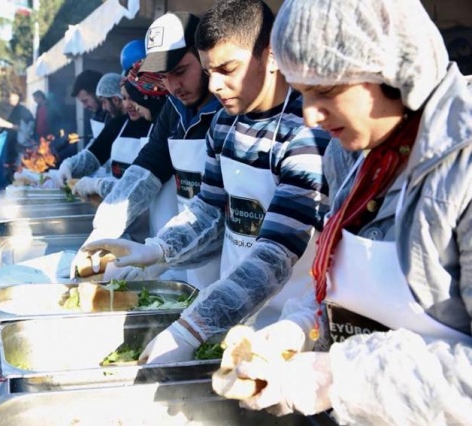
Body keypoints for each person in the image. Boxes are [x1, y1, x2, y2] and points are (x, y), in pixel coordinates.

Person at [208, 0, 472, 422]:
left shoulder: (462, 166)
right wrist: (303, 328)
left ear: (390, 67)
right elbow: (342, 289)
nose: (310, 116)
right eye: (302, 93)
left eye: (326, 91)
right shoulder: (348, 157)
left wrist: (340, 378)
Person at [83, 0, 331, 363]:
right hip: (231, 309)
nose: (215, 85)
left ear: (272, 56)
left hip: (291, 326)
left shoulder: (306, 133)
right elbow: (209, 208)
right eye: (210, 70)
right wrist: (158, 249)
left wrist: (193, 327)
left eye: (228, 69)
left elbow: (277, 250)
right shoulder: (224, 124)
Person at [70, 12, 222, 286]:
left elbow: (219, 211)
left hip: (227, 261)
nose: (173, 86)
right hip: (184, 259)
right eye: (164, 76)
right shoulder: (173, 110)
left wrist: (161, 256)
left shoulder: (227, 111)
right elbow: (146, 169)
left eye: (180, 71)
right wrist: (104, 229)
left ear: (204, 56)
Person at [70, 59, 169, 201]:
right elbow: (94, 154)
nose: (128, 104)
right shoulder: (118, 124)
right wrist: (69, 167)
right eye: (124, 98)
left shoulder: (161, 129)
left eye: (133, 97)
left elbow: (140, 184)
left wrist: (98, 185)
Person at [70, 70, 108, 139]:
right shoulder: (98, 116)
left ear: (97, 93)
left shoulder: (113, 117)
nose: (85, 106)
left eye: (85, 101)